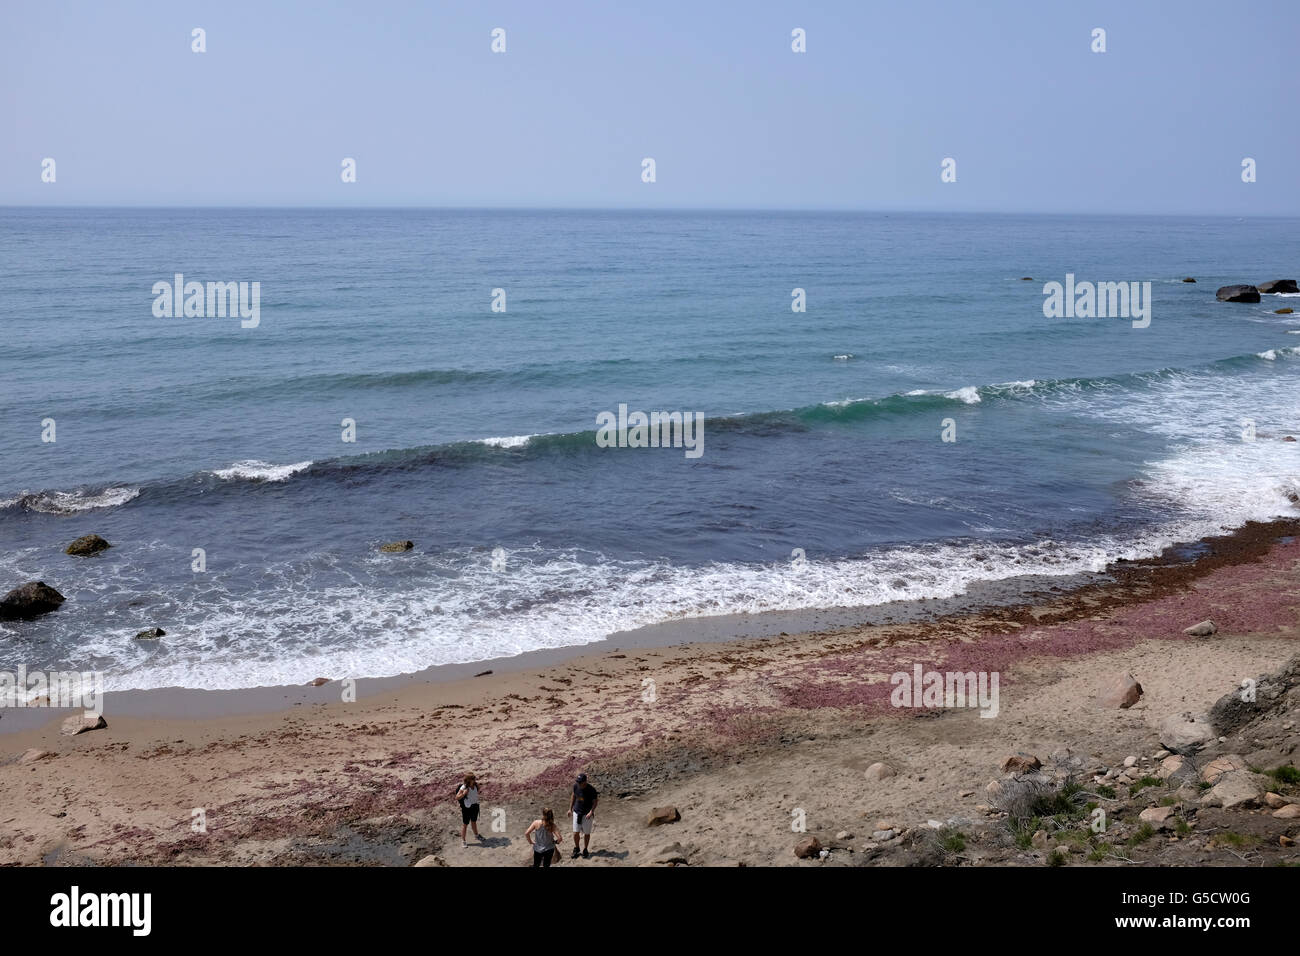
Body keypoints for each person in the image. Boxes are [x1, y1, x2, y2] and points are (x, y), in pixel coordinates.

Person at [570, 772, 598, 859]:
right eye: (577, 781)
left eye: (580, 782)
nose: (578, 783)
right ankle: (577, 848)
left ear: (585, 782)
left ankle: (585, 849)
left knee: (586, 833)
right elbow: (573, 795)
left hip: (587, 815)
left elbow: (596, 801)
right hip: (577, 812)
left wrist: (591, 811)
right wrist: (570, 808)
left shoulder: (591, 790)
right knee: (575, 832)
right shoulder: (576, 786)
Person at [455, 773, 482, 847]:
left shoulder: (475, 785)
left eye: (474, 778)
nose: (474, 780)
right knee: (465, 824)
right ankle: (463, 841)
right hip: (467, 808)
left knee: (474, 822)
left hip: (475, 806)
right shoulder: (464, 787)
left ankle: (476, 835)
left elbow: (477, 791)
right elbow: (457, 797)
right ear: (468, 780)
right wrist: (464, 794)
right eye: (473, 779)